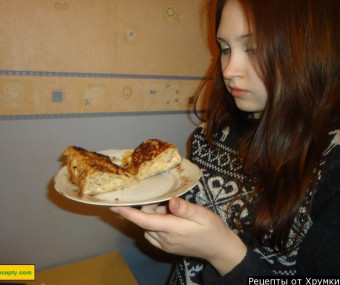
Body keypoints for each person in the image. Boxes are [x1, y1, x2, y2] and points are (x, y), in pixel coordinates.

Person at [110, 0, 340, 283]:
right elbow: (187, 256)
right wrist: (159, 212)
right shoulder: (209, 138)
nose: (229, 70)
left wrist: (223, 252)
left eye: (253, 48)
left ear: (309, 48)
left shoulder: (332, 165)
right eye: (226, 48)